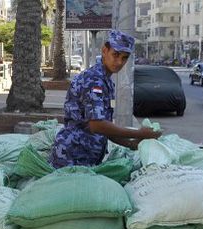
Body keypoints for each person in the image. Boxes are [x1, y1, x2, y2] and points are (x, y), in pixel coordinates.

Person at [49, 30, 162, 169]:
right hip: (72, 156)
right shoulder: (94, 80)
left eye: (124, 57)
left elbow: (104, 127)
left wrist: (130, 144)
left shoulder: (105, 81)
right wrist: (139, 133)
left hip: (85, 155)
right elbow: (97, 125)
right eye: (115, 55)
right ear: (104, 50)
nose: (119, 62)